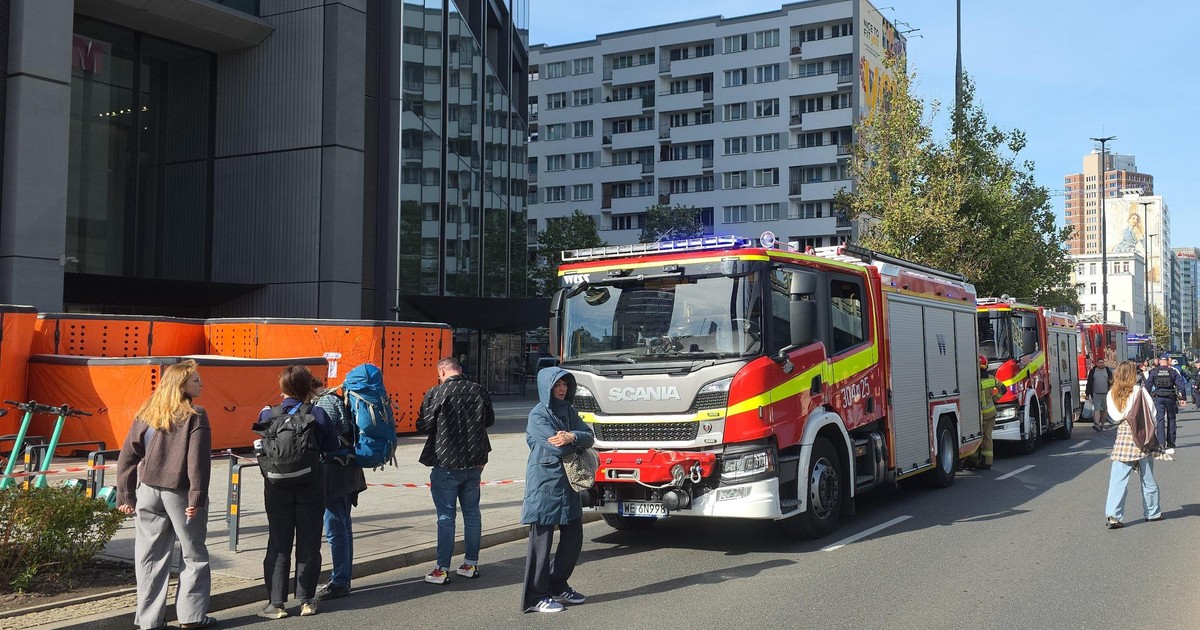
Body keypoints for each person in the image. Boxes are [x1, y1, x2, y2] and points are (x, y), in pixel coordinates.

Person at [116, 359, 216, 630]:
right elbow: (198, 462)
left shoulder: (148, 411)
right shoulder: (196, 414)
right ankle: (192, 617)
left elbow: (127, 455)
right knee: (193, 555)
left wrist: (125, 496)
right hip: (180, 494)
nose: (201, 383)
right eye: (196, 380)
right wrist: (196, 497)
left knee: (149, 557)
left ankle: (148, 622)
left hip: (147, 491)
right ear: (181, 385)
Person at [256, 366, 340, 619]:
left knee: (278, 543)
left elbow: (260, 444)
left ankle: (276, 604)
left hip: (276, 485)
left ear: (282, 387)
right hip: (310, 484)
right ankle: (307, 600)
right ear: (307, 387)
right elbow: (331, 445)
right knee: (309, 541)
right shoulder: (317, 412)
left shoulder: (267, 413)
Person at [519, 367, 595, 613]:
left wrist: (572, 436)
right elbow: (558, 449)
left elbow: (589, 436)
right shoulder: (537, 415)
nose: (561, 389)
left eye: (564, 384)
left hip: (569, 485)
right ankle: (535, 597)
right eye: (556, 385)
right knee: (540, 543)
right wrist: (572, 442)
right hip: (545, 485)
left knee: (574, 539)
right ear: (546, 387)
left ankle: (558, 585)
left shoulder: (569, 411)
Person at [417, 356, 496, 584]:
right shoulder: (478, 390)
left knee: (445, 517)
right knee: (472, 514)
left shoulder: (437, 392)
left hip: (446, 462)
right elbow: (489, 420)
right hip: (475, 462)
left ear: (441, 372)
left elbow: (423, 424)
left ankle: (442, 569)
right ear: (459, 370)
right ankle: (470, 564)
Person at [313, 376, 368, 601]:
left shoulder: (324, 403)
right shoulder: (337, 400)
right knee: (344, 527)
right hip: (348, 470)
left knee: (336, 529)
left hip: (335, 473)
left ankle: (340, 582)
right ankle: (343, 578)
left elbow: (327, 440)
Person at [1105, 360, 1170, 528]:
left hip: (1123, 437)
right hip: (1141, 436)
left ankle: (1114, 516)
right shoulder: (1139, 392)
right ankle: (1153, 512)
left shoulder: (1111, 393)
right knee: (1147, 477)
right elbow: (1152, 413)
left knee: (1118, 479)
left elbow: (1114, 416)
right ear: (1132, 375)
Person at [1144, 354, 1188, 453]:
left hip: (1159, 397)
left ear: (1159, 361)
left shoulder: (1154, 372)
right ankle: (1171, 442)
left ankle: (1161, 443)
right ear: (1168, 361)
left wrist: (1147, 398)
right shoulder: (1172, 372)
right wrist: (1183, 398)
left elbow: (1148, 385)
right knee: (1171, 419)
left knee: (1160, 419)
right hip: (1170, 397)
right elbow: (1181, 385)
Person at [1085, 359, 1113, 431]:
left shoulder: (1107, 370)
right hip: (1096, 393)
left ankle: (1102, 425)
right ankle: (1097, 424)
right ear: (1097, 363)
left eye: (1102, 363)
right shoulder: (1093, 371)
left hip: (1106, 393)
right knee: (1096, 409)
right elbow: (1089, 383)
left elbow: (1111, 381)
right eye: (1100, 363)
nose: (1101, 364)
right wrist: (1087, 393)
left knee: (1104, 410)